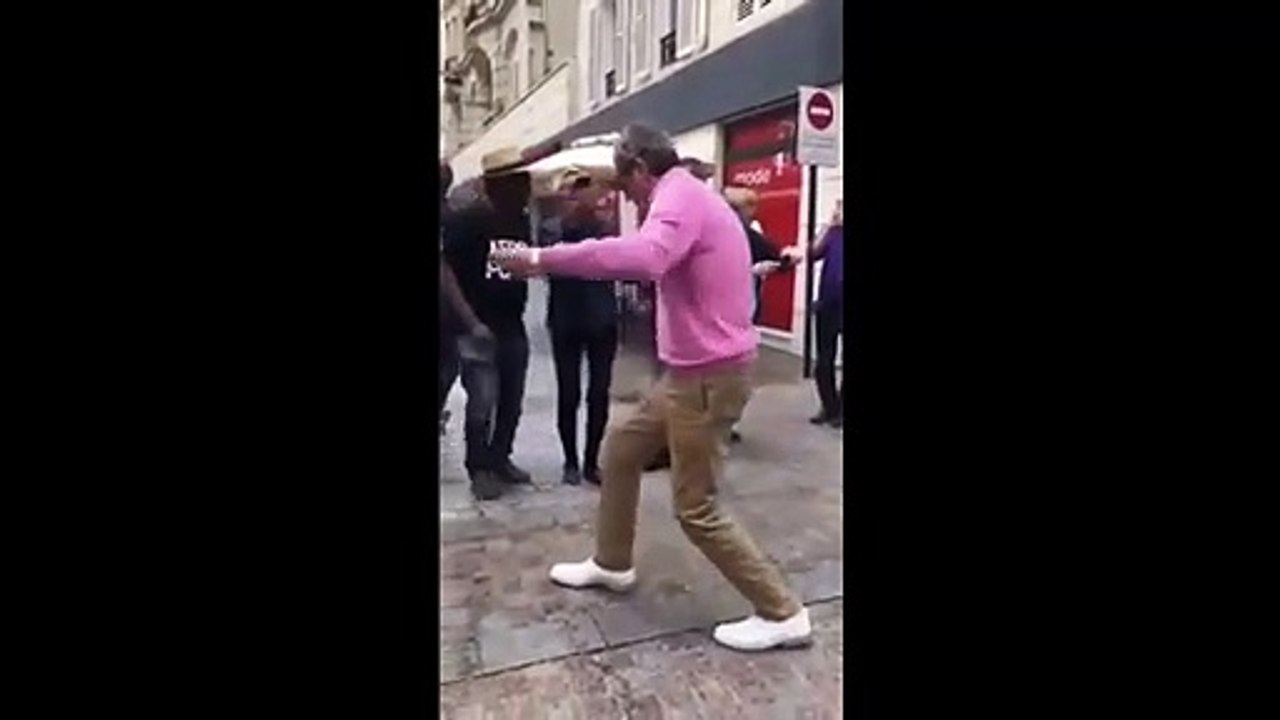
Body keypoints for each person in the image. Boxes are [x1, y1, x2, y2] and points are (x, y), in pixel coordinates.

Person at [492, 123, 810, 652]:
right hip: (689, 373)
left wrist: (543, 260)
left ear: (641, 167)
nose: (622, 192)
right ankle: (613, 562)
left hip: (708, 376)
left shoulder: (678, 196)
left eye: (624, 180)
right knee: (620, 453)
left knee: (696, 507)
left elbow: (645, 257)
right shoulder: (687, 194)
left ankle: (783, 611)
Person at [441, 150, 536, 494]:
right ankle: (479, 468)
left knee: (512, 399)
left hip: (513, 324)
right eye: (521, 180)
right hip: (477, 327)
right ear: (502, 184)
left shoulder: (520, 219)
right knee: (482, 400)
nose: (528, 186)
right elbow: (446, 270)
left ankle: (500, 458)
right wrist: (469, 319)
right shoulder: (470, 220)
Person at [547, 172, 619, 486]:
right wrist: (572, 222)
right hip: (566, 319)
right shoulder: (553, 228)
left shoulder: (605, 229)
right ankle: (570, 461)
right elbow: (548, 263)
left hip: (601, 320)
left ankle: (591, 460)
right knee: (568, 392)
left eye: (587, 192)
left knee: (599, 393)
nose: (583, 198)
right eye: (576, 193)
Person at [783, 199, 844, 427]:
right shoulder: (833, 233)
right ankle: (829, 406)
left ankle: (840, 409)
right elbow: (811, 254)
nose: (839, 211)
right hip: (828, 305)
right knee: (823, 361)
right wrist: (828, 226)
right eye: (837, 207)